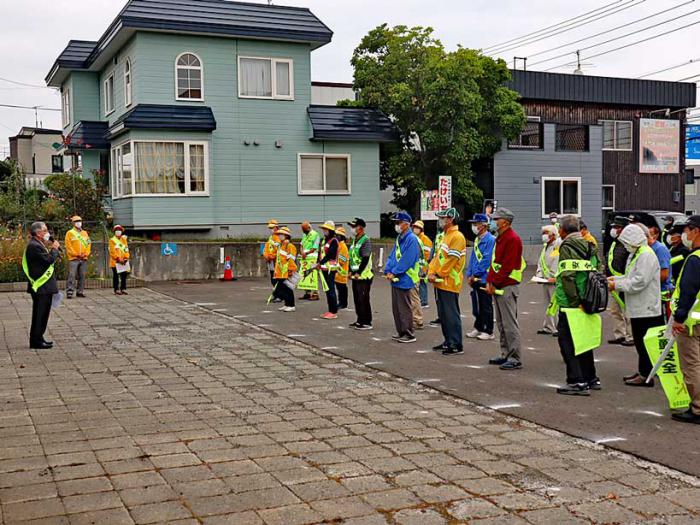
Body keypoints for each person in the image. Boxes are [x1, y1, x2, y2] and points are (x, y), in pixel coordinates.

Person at [608, 224, 663, 387]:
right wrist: (616, 280)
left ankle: (646, 375)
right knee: (640, 342)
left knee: (644, 343)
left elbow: (639, 282)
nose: (625, 245)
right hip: (640, 307)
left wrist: (616, 285)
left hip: (646, 308)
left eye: (626, 242)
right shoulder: (637, 253)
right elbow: (630, 275)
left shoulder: (645, 255)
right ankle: (643, 372)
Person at [554, 215, 600, 395]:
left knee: (567, 341)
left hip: (571, 302)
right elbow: (596, 270)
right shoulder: (590, 245)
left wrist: (574, 301)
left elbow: (567, 275)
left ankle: (576, 381)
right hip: (589, 298)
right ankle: (591, 378)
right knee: (584, 341)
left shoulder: (567, 246)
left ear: (563, 230)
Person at [486, 208, 526, 370]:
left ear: (505, 222)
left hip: (507, 285)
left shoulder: (512, 239)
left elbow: (507, 266)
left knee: (509, 323)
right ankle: (505, 353)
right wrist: (490, 281)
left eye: (498, 219)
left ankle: (515, 357)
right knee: (502, 323)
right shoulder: (500, 238)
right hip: (499, 284)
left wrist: (493, 282)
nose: (495, 221)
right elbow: (495, 262)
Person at [670, 215, 700, 424]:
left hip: (692, 321)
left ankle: (698, 407)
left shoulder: (695, 259)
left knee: (691, 365)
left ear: (696, 231)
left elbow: (688, 291)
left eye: (687, 230)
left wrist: (679, 318)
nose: (684, 235)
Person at [428, 208, 467, 355]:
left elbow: (451, 260)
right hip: (439, 281)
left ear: (450, 219)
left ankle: (456, 344)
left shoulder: (457, 237)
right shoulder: (445, 236)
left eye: (442, 217)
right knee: (443, 314)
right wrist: (431, 271)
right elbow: (437, 258)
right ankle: (448, 340)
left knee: (451, 313)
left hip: (450, 281)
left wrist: (437, 273)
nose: (440, 220)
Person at [385, 211, 421, 343]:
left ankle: (408, 333)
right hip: (395, 277)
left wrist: (394, 271)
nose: (396, 225)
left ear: (406, 224)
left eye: (398, 222)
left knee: (404, 307)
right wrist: (388, 270)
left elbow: (407, 260)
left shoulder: (411, 239)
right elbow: (392, 256)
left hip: (405, 277)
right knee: (397, 307)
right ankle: (401, 331)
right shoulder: (400, 238)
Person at [23, 222, 60, 349]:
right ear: (38, 233)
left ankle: (39, 337)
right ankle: (36, 341)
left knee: (43, 314)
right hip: (41, 287)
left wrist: (53, 250)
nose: (47, 233)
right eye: (45, 230)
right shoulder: (34, 246)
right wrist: (54, 249)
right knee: (39, 314)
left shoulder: (38, 244)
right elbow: (48, 260)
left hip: (44, 287)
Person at [465, 213, 495, 341]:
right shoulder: (477, 239)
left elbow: (486, 259)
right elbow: (473, 258)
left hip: (484, 277)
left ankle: (488, 330)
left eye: (476, 224)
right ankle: (478, 327)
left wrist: (476, 274)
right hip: (475, 277)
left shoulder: (490, 240)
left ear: (483, 225)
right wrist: (469, 274)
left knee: (486, 304)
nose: (474, 226)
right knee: (476, 304)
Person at [606, 216, 634, 346]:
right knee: (614, 310)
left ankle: (630, 336)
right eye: (614, 227)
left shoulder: (628, 244)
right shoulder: (614, 243)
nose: (614, 230)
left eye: (617, 227)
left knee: (627, 310)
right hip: (613, 282)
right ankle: (620, 334)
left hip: (624, 282)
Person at [348, 218, 374, 330]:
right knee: (357, 298)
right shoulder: (355, 240)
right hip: (356, 275)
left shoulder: (365, 240)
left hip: (364, 275)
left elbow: (365, 257)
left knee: (363, 298)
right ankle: (360, 320)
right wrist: (350, 271)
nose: (352, 229)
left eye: (354, 226)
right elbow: (352, 258)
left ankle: (367, 322)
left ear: (360, 228)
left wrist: (359, 272)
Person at [536, 225, 561, 336]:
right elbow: (540, 262)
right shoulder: (545, 246)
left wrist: (553, 276)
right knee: (547, 304)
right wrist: (539, 274)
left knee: (556, 304)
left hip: (553, 280)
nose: (544, 235)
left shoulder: (557, 246)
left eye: (546, 233)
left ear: (553, 234)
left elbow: (556, 262)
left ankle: (558, 327)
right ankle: (548, 326)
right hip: (545, 280)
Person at [647, 222, 673, 319]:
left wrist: (646, 282)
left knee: (661, 320)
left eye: (648, 235)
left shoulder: (660, 249)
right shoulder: (648, 248)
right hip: (653, 291)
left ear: (655, 235)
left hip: (661, 292)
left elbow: (664, 274)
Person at [317, 221, 340, 319]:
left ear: (330, 230)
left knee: (331, 290)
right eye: (323, 229)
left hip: (331, 269)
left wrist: (320, 262)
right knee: (327, 290)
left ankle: (333, 311)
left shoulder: (334, 241)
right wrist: (319, 262)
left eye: (326, 229)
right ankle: (330, 310)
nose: (324, 231)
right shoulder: (324, 240)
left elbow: (331, 254)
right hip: (324, 269)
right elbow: (321, 252)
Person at [64, 215, 91, 299]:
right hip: (74, 258)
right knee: (72, 275)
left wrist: (86, 254)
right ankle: (69, 292)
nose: (78, 223)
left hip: (83, 258)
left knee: (82, 275)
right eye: (76, 221)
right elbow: (68, 246)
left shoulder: (85, 233)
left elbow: (89, 244)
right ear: (73, 223)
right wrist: (76, 254)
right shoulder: (69, 233)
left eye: (79, 221)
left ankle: (80, 291)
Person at [272, 227, 297, 312]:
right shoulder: (281, 245)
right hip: (280, 272)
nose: (279, 236)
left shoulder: (289, 246)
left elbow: (291, 259)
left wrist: (290, 270)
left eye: (281, 234)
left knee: (288, 289)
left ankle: (291, 305)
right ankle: (287, 304)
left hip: (286, 271)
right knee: (283, 288)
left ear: (286, 235)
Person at [428, 223, 446, 328]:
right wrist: (430, 262)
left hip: (443, 270)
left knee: (445, 298)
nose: (440, 223)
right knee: (438, 296)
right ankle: (440, 316)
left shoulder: (450, 236)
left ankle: (445, 317)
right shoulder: (439, 235)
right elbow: (434, 249)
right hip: (435, 267)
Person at [412, 220, 433, 308]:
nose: (415, 229)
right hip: (418, 264)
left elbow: (428, 253)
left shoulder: (425, 239)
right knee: (419, 282)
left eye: (417, 228)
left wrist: (425, 264)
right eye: (414, 227)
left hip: (423, 264)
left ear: (421, 229)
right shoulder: (415, 238)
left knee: (422, 282)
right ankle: (421, 300)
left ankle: (424, 301)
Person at [299, 221, 321, 301]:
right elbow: (301, 245)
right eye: (303, 230)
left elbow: (315, 247)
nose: (304, 231)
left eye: (304, 229)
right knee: (305, 275)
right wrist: (302, 252)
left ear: (309, 227)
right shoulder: (304, 234)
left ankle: (315, 294)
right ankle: (307, 293)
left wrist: (306, 253)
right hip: (305, 258)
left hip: (313, 258)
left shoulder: (315, 235)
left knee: (313, 276)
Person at [109, 225, 130, 295]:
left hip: (123, 261)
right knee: (116, 276)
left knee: (124, 275)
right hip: (115, 261)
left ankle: (123, 288)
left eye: (119, 230)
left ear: (121, 231)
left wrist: (126, 258)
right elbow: (112, 251)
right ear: (114, 232)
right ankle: (116, 289)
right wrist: (118, 259)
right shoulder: (112, 240)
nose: (118, 231)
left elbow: (126, 249)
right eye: (116, 230)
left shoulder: (124, 240)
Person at [263, 219, 281, 288]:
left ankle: (278, 295)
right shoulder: (271, 237)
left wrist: (271, 257)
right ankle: (276, 293)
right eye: (270, 228)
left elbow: (278, 249)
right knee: (272, 278)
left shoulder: (279, 237)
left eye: (272, 228)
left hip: (276, 261)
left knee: (276, 279)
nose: (271, 229)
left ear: (276, 227)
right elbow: (266, 248)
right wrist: (266, 256)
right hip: (271, 261)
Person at [335, 227, 350, 310]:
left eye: (337, 235)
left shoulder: (343, 246)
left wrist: (335, 261)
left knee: (342, 288)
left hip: (342, 271)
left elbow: (342, 260)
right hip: (338, 271)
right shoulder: (338, 245)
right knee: (339, 288)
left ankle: (343, 303)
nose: (336, 236)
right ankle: (340, 302)